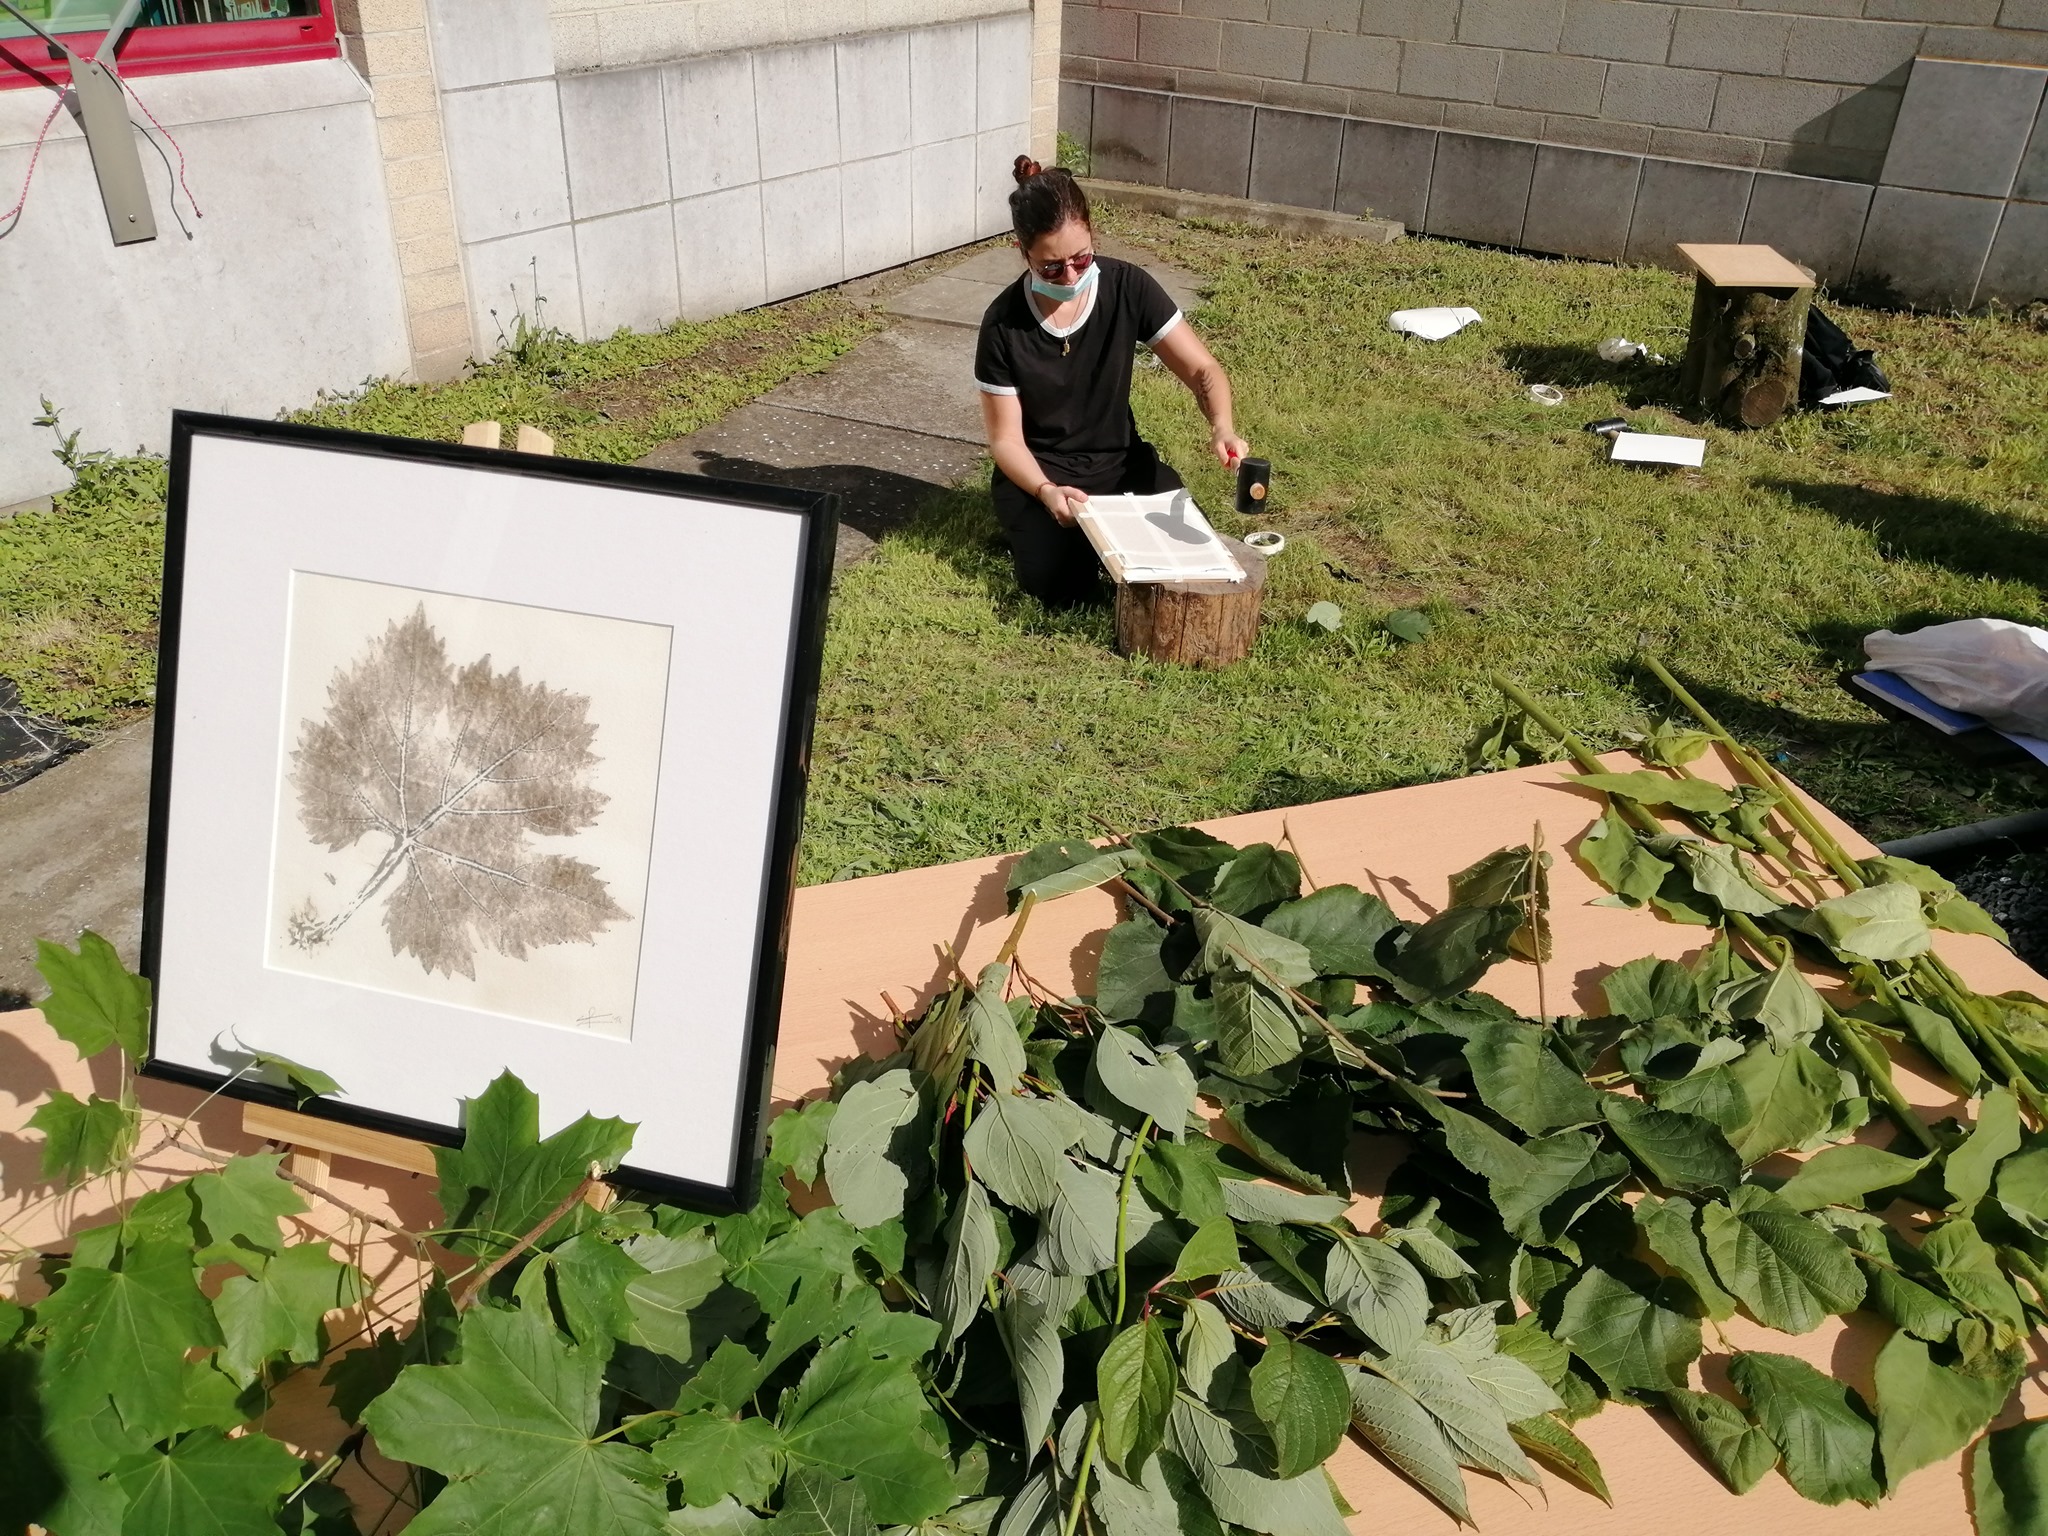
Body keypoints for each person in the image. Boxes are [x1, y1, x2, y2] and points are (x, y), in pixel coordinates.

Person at [975, 157, 1249, 608]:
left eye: (1082, 258)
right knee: (1060, 588)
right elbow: (1005, 441)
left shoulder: (1128, 287)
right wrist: (1045, 491)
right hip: (1040, 473)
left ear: (1093, 236)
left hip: (1120, 464)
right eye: (1051, 267)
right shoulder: (1003, 324)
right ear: (1022, 252)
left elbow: (1204, 370)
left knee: (1188, 560)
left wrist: (1222, 425)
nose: (1071, 276)